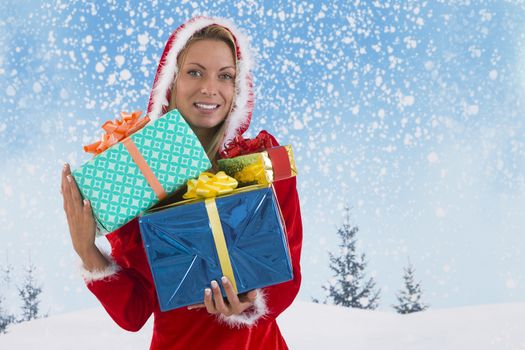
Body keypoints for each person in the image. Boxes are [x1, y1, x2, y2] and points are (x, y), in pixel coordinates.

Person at [60, 16, 303, 349]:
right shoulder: (137, 171)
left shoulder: (262, 160)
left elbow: (287, 276)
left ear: (238, 88)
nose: (209, 88)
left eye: (225, 76)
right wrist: (86, 250)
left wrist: (250, 299)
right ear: (171, 82)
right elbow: (134, 311)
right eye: (195, 72)